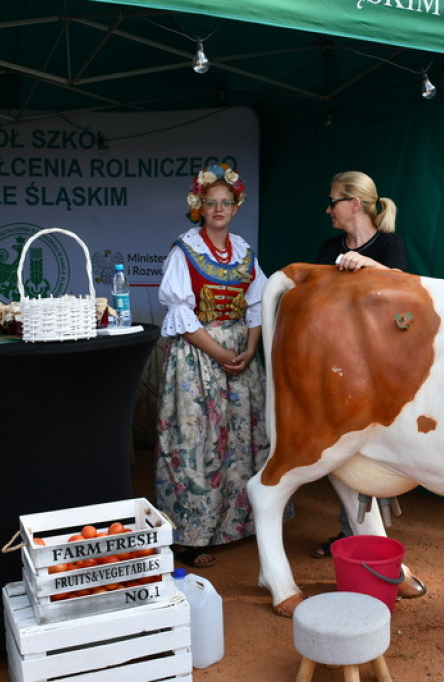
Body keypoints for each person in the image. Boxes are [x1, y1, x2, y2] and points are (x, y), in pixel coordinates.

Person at [154, 163, 269, 568]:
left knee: (240, 442)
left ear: (236, 207)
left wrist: (251, 349)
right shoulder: (183, 250)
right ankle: (191, 535)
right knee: (197, 442)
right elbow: (181, 318)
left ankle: (240, 524)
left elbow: (257, 304)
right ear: (198, 206)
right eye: (211, 202)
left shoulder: (244, 251)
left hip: (240, 352)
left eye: (226, 203)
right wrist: (220, 353)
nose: (218, 209)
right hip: (198, 357)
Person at [311, 170, 408, 559]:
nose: (328, 208)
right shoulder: (327, 247)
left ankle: (369, 536)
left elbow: (405, 285)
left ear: (354, 203)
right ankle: (350, 531)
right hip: (339, 362)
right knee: (344, 447)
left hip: (380, 363)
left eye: (333, 200)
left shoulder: (389, 245)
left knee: (374, 446)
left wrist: (366, 265)